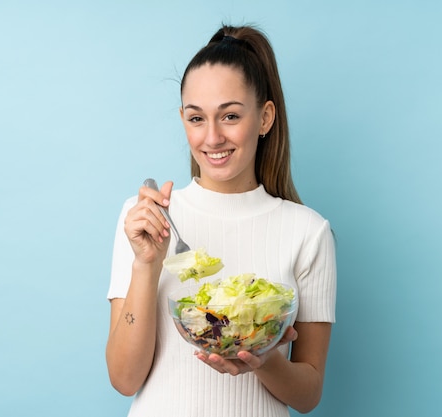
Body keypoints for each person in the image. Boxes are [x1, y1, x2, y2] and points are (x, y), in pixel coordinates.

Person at [105, 24, 336, 417]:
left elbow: (308, 394)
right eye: (197, 119)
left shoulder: (308, 231)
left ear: (265, 118)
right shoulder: (148, 218)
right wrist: (147, 264)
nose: (212, 138)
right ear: (183, 120)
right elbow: (125, 379)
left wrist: (265, 359)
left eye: (230, 115)